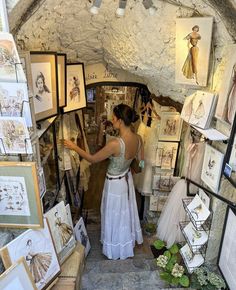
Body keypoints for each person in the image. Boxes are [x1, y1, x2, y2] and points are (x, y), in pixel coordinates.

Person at [63, 103, 144, 260]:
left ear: (120, 121)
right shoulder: (139, 139)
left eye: (113, 118)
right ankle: (123, 243)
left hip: (114, 183)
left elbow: (93, 159)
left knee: (114, 213)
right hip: (126, 180)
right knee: (123, 214)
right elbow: (141, 164)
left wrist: (74, 147)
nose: (112, 120)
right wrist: (134, 167)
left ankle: (114, 247)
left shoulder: (115, 144)